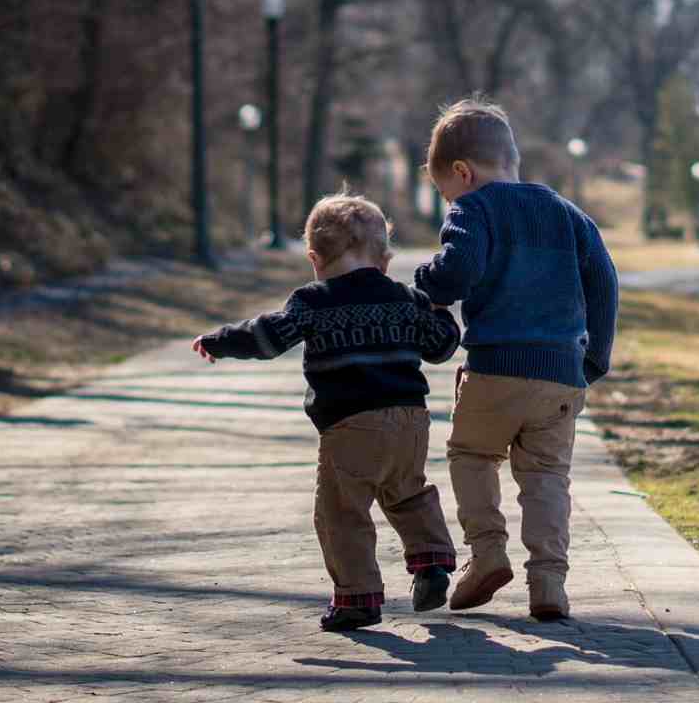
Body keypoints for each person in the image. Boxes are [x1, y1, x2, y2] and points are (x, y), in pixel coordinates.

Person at [192, 191, 460, 631]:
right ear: (384, 258)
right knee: (408, 493)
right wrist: (442, 312)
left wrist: (221, 341)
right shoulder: (404, 298)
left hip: (351, 424)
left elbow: (268, 337)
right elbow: (441, 347)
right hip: (410, 421)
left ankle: (357, 597)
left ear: (314, 258)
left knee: (342, 512)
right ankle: (431, 563)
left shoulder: (313, 301)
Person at [414, 97, 619, 620]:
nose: (448, 200)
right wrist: (594, 358)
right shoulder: (569, 215)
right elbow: (604, 283)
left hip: (495, 368)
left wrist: (425, 281)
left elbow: (456, 274)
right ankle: (549, 583)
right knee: (547, 476)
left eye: (445, 192)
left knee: (473, 456)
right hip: (560, 374)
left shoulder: (473, 209)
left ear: (463, 172)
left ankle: (486, 554)